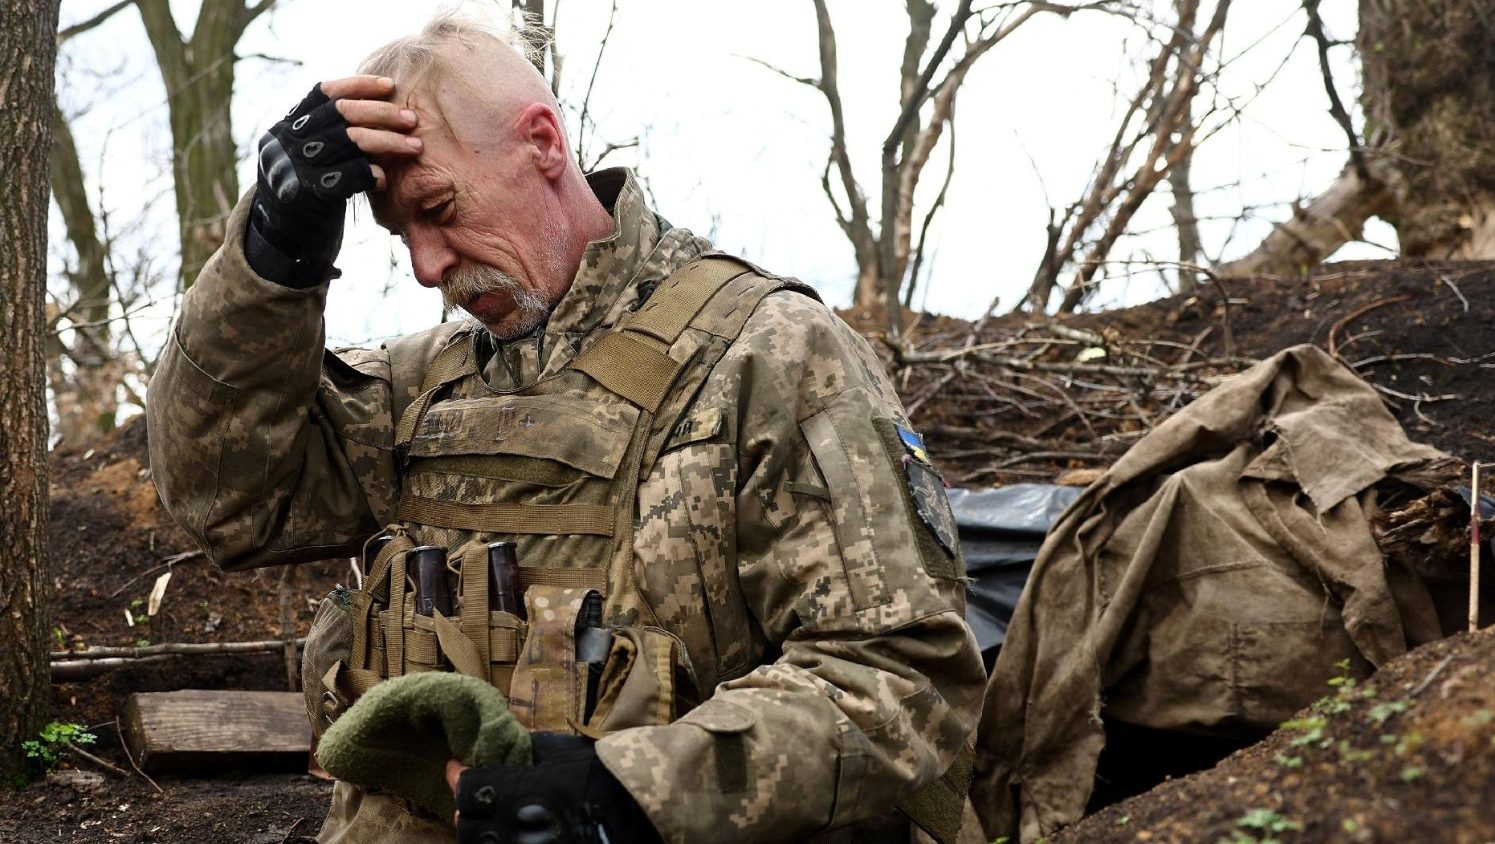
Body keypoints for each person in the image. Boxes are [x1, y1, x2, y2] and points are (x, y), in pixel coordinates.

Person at [146, 10, 983, 844]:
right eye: (402, 233)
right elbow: (227, 503)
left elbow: (902, 680)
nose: (428, 265)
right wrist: (268, 257)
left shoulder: (769, 355)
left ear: (542, 142)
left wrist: (628, 792)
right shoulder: (413, 389)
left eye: (439, 207)